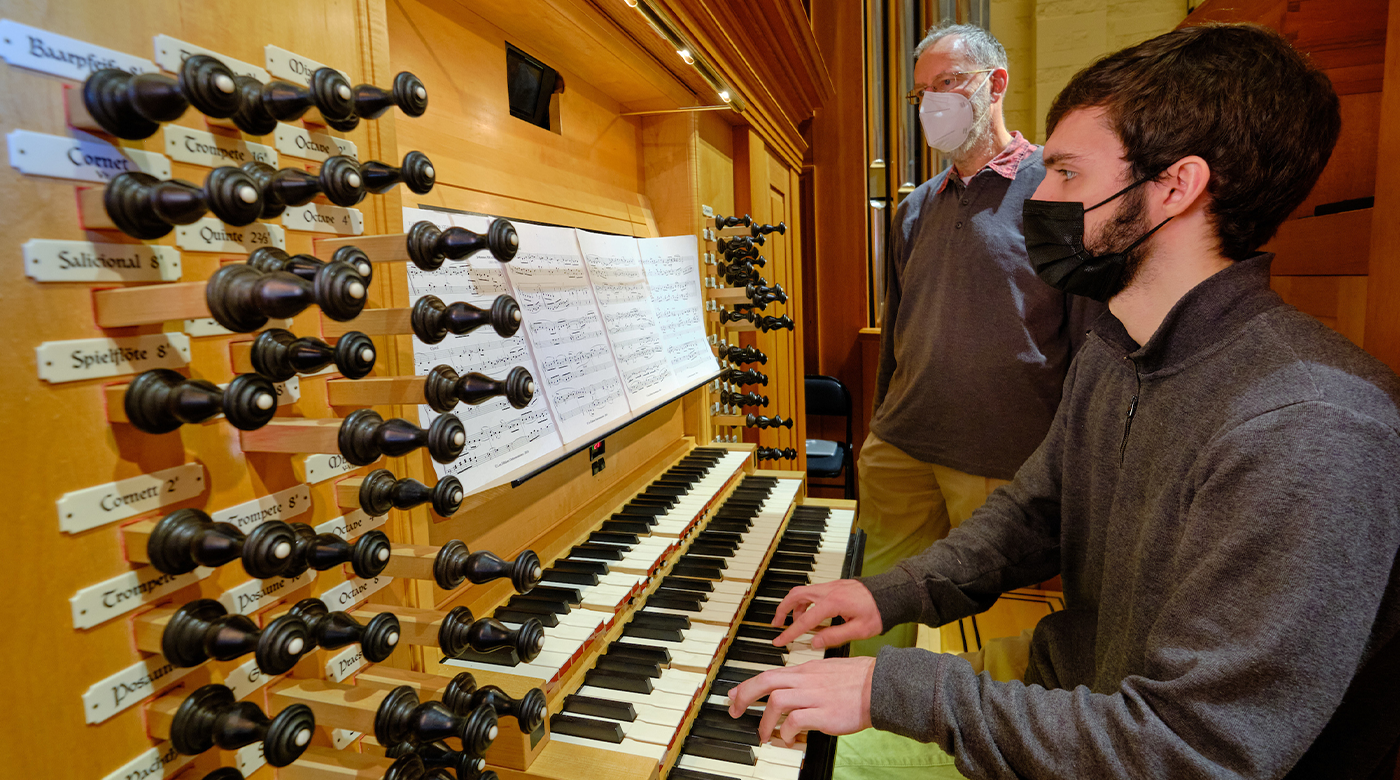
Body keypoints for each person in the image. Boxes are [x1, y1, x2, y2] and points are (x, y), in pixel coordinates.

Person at [729, 22, 1400, 779]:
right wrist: (892, 592)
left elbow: (1195, 750)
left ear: (1174, 188)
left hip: (1121, 742)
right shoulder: (1119, 349)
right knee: (788, 743)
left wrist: (902, 687)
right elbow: (1040, 510)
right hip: (1071, 686)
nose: (1038, 197)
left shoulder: (1314, 426)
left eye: (1068, 175)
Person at [858, 22, 1099, 655]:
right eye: (920, 93)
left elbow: (1089, 338)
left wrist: (1070, 459)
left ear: (995, 85)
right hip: (902, 445)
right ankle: (853, 742)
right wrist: (879, 422)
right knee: (872, 606)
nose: (932, 103)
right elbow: (897, 326)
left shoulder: (1058, 188)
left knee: (982, 628)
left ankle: (952, 744)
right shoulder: (915, 207)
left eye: (948, 83)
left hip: (1002, 460)